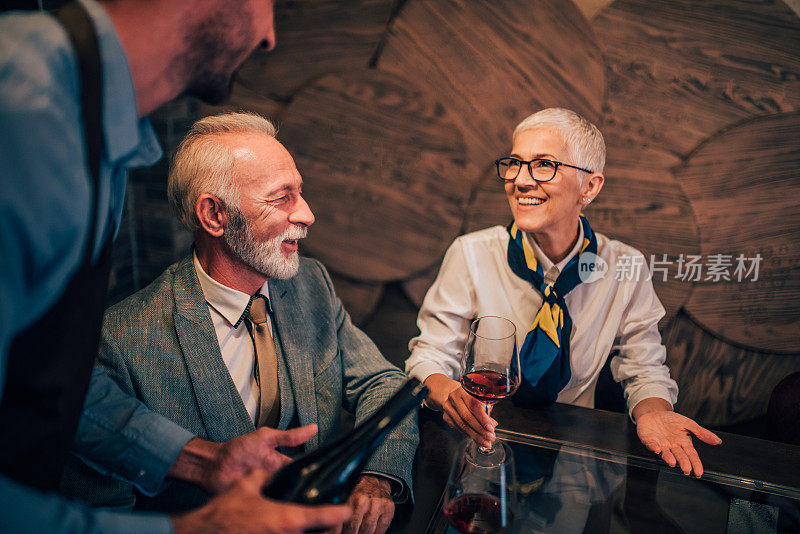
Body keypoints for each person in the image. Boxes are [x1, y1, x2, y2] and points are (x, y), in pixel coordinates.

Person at [0, 1, 350, 532]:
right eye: (268, 4)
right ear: (212, 215)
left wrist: (202, 459)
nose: (270, 36)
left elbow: (54, 387)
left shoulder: (105, 138)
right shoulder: (22, 113)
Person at [61, 111, 419, 534]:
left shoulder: (310, 284)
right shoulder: (119, 342)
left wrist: (377, 478)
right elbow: (106, 515)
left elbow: (383, 382)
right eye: (281, 197)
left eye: (299, 193)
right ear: (214, 215)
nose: (306, 214)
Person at [405, 108, 722, 478]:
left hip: (574, 463)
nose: (520, 181)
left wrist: (654, 414)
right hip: (476, 446)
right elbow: (430, 354)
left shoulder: (625, 266)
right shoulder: (471, 253)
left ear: (590, 187)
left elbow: (644, 366)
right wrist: (448, 393)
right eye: (514, 163)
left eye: (543, 165)